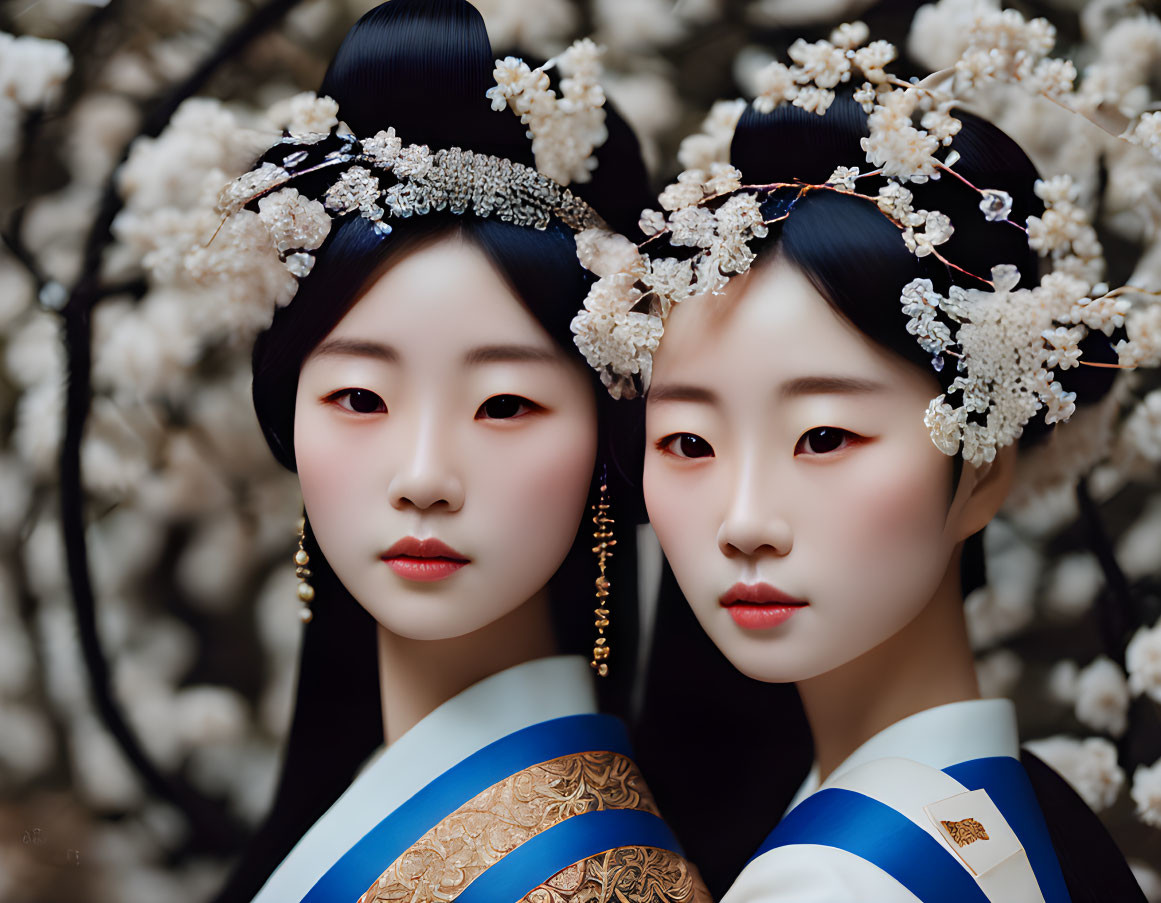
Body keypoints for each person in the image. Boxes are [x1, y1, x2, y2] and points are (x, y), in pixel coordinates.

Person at [569, 35, 1152, 903]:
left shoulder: (831, 878)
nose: (745, 521)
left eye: (824, 437)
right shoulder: (1013, 809)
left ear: (982, 465)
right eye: (689, 443)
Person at [208, 3, 708, 902]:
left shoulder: (601, 880)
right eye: (359, 398)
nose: (425, 477)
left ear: (605, 432)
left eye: (505, 404)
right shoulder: (373, 790)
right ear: (288, 416)